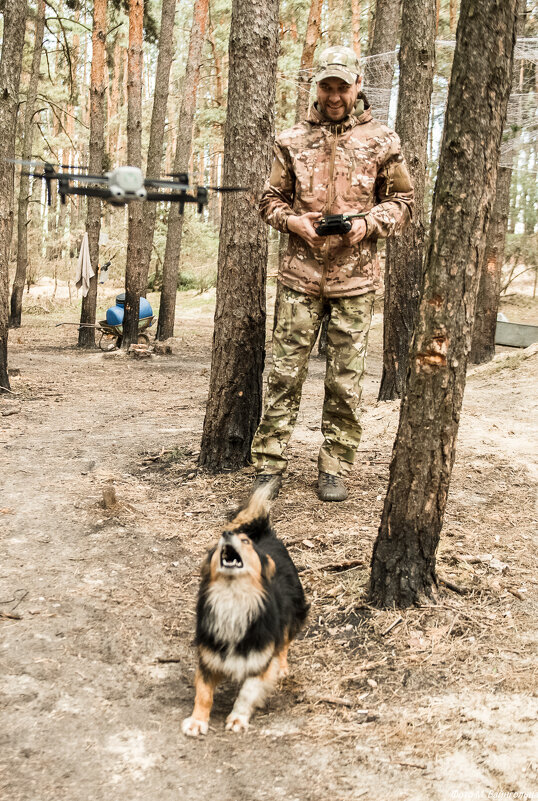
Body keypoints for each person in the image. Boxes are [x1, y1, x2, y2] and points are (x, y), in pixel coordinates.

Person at [250, 45, 414, 502]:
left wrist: (365, 225)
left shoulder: (382, 139)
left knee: (345, 380)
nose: (335, 95)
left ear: (357, 85)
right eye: (327, 86)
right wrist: (292, 221)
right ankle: (269, 464)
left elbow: (403, 202)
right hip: (299, 277)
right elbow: (268, 199)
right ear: (316, 87)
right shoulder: (291, 140)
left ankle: (335, 465)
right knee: (284, 375)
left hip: (355, 279)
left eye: (343, 86)